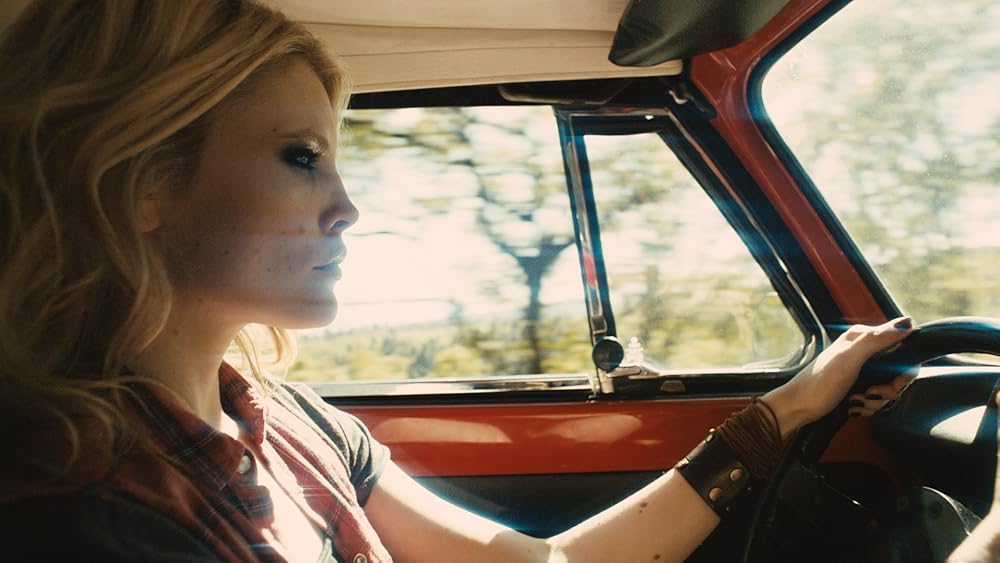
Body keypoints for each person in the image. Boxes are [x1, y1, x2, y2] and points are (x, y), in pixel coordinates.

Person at [0, 1, 931, 561]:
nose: (347, 208)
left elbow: (549, 561)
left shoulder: (287, 421)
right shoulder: (80, 515)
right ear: (142, 180)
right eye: (302, 156)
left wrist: (784, 412)